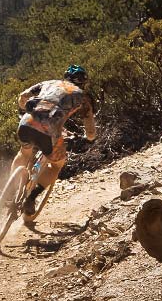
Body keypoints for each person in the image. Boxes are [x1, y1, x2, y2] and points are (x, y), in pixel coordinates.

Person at [12, 65, 97, 216]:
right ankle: (31, 199)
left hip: (26, 123)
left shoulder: (48, 83)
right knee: (57, 165)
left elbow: (22, 97)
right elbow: (90, 133)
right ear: (83, 83)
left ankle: (11, 192)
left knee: (24, 152)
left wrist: (31, 108)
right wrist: (88, 137)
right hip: (49, 133)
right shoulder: (82, 98)